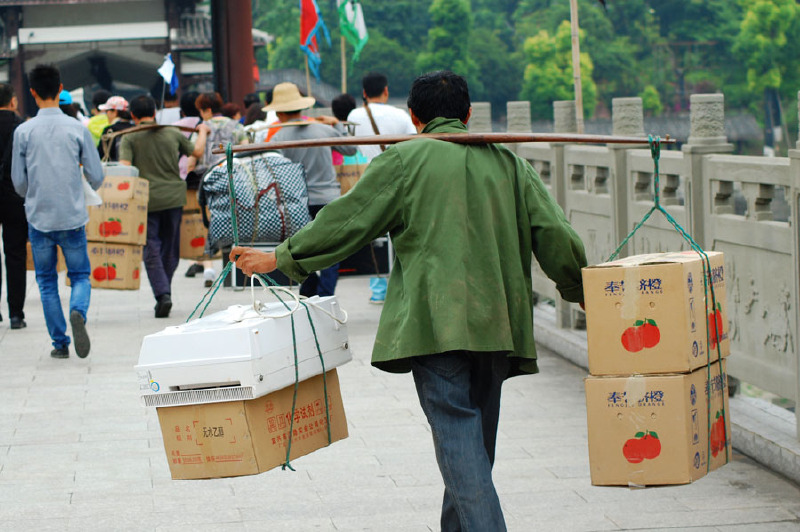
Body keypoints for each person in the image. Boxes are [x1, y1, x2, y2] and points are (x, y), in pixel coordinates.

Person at [231, 70, 587, 531]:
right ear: (469, 114)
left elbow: (347, 222)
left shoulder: (403, 161)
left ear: (414, 118)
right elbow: (555, 232)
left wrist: (280, 256)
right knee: (474, 443)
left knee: (461, 439)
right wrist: (580, 289)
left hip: (434, 322)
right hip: (498, 321)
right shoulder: (508, 163)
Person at [11, 64, 105, 358]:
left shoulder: (23, 131)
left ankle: (60, 343)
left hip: (39, 217)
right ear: (61, 88)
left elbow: (18, 181)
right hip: (73, 215)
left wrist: (34, 196)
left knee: (46, 280)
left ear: (33, 92)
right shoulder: (78, 128)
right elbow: (97, 174)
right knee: (79, 275)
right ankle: (78, 311)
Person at [119, 95, 210, 318]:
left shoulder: (129, 138)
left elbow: (125, 169)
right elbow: (197, 152)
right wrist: (204, 133)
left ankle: (162, 294)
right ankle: (164, 291)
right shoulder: (172, 132)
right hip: (173, 197)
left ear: (132, 115)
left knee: (151, 247)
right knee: (170, 248)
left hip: (146, 200)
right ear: (154, 113)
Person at [263, 82, 356, 298]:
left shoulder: (278, 138)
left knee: (302, 251)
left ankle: (307, 293)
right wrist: (338, 125)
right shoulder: (324, 129)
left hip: (298, 203)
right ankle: (325, 295)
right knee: (331, 251)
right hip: (329, 199)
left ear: (278, 112)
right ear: (301, 107)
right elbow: (351, 149)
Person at [191, 92, 248, 286]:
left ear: (206, 110)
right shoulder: (237, 126)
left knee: (209, 222)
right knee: (235, 220)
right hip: (235, 179)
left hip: (208, 181)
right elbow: (247, 150)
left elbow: (194, 155)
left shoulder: (202, 128)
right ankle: (235, 264)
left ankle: (208, 268)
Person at [0, 83, 27, 330]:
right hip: (15, 197)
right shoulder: (22, 127)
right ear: (13, 101)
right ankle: (16, 313)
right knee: (16, 254)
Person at [347, 71, 416, 162]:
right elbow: (414, 144)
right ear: (386, 90)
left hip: (364, 172)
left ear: (364, 93)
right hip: (393, 172)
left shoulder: (353, 115)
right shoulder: (401, 115)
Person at [96, 96, 133, 162]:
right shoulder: (135, 128)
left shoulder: (109, 130)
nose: (106, 114)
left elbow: (99, 155)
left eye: (107, 111)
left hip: (115, 170)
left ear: (114, 111)